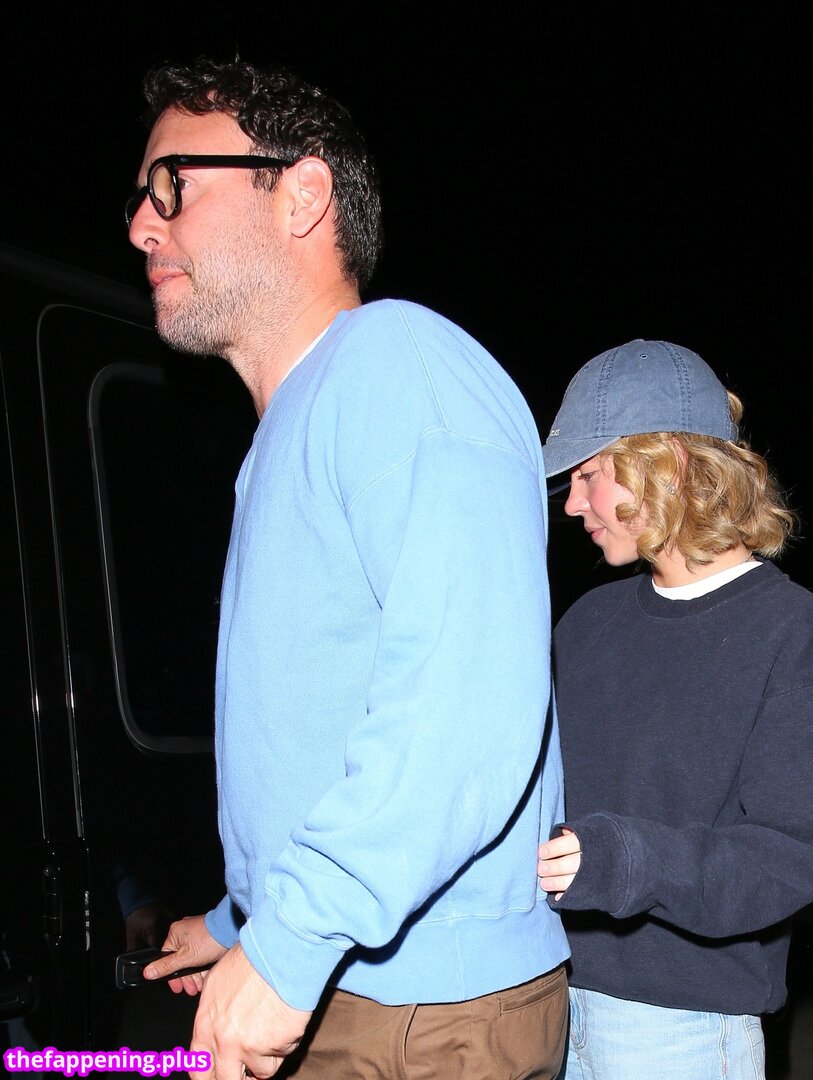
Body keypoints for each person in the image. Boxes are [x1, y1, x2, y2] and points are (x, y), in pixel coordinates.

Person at [126, 57, 570, 1080]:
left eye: (172, 184)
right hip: (359, 982)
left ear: (303, 195)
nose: (144, 225)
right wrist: (239, 919)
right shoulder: (291, 431)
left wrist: (291, 940)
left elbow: (464, 712)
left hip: (421, 1012)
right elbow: (322, 731)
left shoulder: (399, 364)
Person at [535, 339, 813, 1079]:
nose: (573, 504)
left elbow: (794, 853)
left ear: (668, 464)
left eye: (588, 475)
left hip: (682, 1029)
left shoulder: (793, 631)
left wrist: (626, 861)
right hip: (548, 998)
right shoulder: (587, 623)